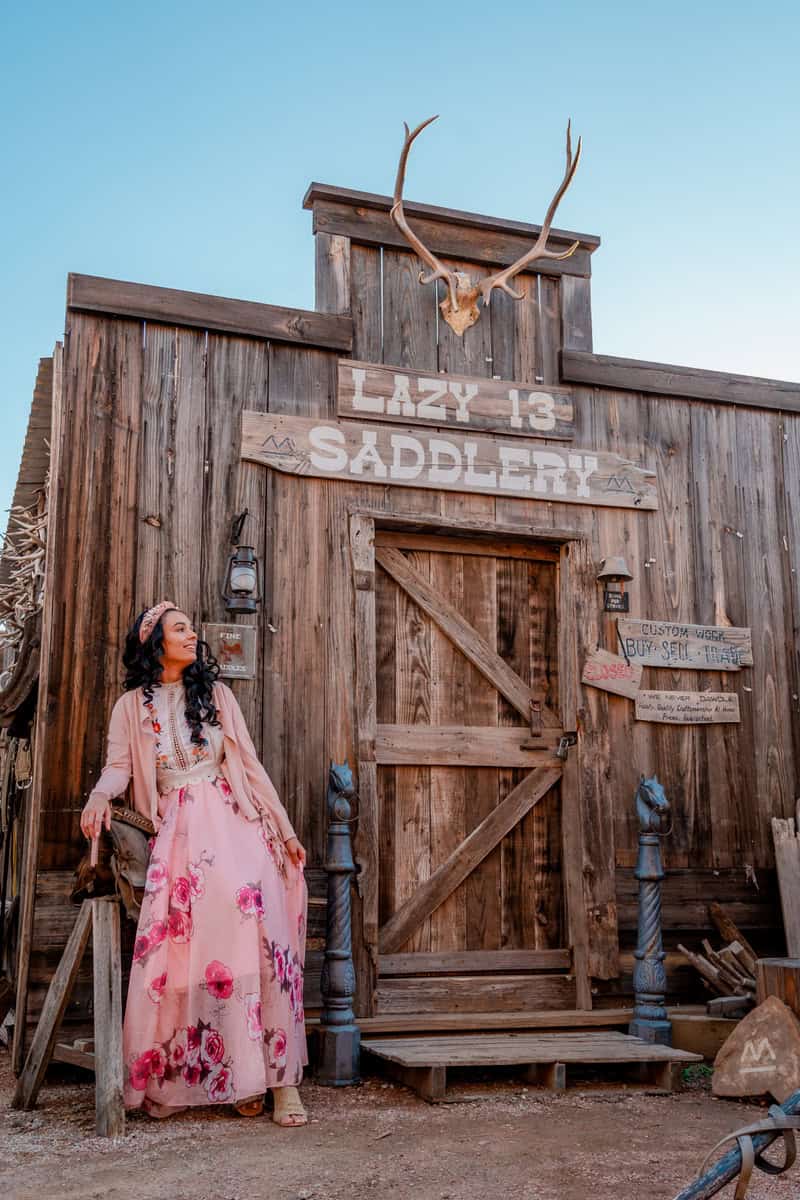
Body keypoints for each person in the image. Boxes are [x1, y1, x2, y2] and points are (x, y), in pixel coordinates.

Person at [79, 600, 308, 1125]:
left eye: (190, 628)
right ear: (154, 641)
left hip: (233, 819)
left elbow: (249, 766)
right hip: (177, 833)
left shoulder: (218, 696)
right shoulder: (130, 706)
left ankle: (278, 1081)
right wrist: (98, 795)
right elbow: (118, 767)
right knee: (185, 954)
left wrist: (287, 831)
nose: (191, 635)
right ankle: (221, 1076)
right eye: (179, 628)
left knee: (255, 926)